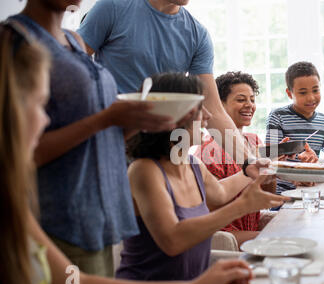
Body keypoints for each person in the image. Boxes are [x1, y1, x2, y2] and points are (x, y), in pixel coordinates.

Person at [0, 21, 252, 284]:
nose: (46, 119)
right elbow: (172, 239)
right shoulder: (144, 171)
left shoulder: (17, 212)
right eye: (39, 104)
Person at [8, 0, 180, 277]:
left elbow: (99, 135)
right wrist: (106, 118)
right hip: (58, 219)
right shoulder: (14, 41)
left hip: (100, 216)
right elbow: (16, 152)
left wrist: (138, 121)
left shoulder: (75, 42)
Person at [116, 72, 289, 281]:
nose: (208, 116)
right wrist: (242, 206)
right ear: (173, 116)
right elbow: (173, 241)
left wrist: (249, 171)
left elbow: (221, 192)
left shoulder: (192, 164)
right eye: (200, 108)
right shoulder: (144, 170)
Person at [78, 0, 251, 163]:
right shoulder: (112, 7)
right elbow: (70, 65)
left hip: (161, 149)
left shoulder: (197, 34)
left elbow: (214, 110)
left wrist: (249, 162)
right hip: (111, 142)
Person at [194, 71, 276, 246]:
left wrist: (272, 167)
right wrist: (251, 171)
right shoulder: (208, 151)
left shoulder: (254, 141)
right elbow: (210, 207)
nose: (249, 105)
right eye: (241, 100)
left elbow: (268, 194)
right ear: (219, 105)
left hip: (250, 228)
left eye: (252, 100)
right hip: (225, 236)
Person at [266, 61, 324, 194]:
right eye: (303, 93)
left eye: (315, 90)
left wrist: (316, 163)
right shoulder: (277, 116)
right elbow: (269, 157)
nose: (311, 97)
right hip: (281, 193)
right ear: (289, 94)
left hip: (310, 191)